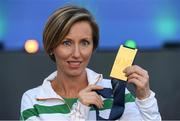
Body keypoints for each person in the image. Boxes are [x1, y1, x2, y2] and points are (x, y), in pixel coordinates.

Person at [20, 5, 161, 121]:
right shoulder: (32, 101)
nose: (76, 53)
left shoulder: (118, 93)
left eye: (84, 43)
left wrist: (145, 99)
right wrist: (80, 111)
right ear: (51, 47)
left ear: (93, 47)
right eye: (66, 42)